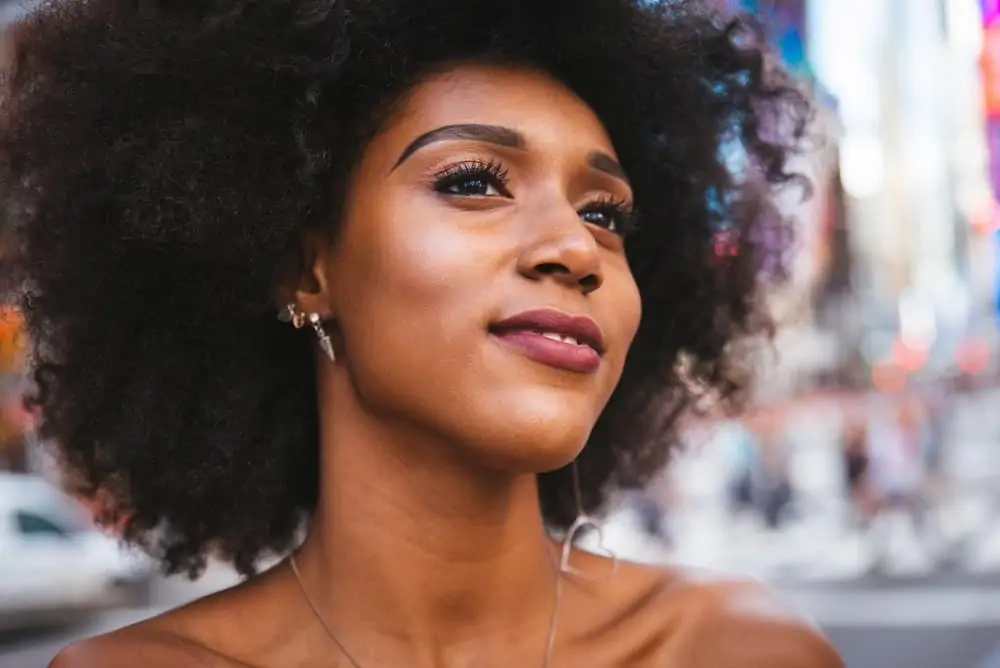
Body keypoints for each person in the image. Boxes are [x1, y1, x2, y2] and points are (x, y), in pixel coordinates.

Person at [0, 0, 842, 666]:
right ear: (305, 269)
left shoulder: (745, 653)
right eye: (476, 181)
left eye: (605, 212)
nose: (576, 247)